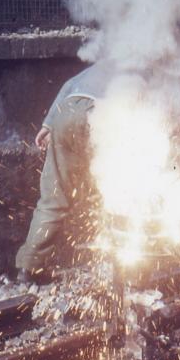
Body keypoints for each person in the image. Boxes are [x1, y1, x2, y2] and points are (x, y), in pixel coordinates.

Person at [16, 61, 115, 282]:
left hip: (65, 115)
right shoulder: (144, 65)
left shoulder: (97, 67)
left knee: (54, 196)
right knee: (116, 192)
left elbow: (68, 86)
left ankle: (29, 266)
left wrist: (48, 125)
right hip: (98, 116)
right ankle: (116, 264)